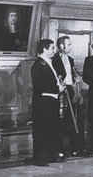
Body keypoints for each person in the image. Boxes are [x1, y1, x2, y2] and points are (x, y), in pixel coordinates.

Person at [31, 39, 64, 167]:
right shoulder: (38, 65)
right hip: (43, 104)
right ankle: (40, 159)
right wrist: (57, 88)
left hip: (52, 102)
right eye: (52, 48)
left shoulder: (49, 63)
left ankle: (50, 156)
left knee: (51, 129)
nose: (54, 50)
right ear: (44, 50)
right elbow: (40, 86)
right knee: (42, 130)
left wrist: (59, 85)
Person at [51, 36, 85, 157]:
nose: (71, 46)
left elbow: (71, 74)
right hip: (61, 91)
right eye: (69, 44)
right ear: (61, 46)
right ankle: (61, 150)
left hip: (71, 91)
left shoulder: (70, 59)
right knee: (61, 120)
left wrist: (76, 78)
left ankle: (76, 148)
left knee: (74, 119)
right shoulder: (53, 59)